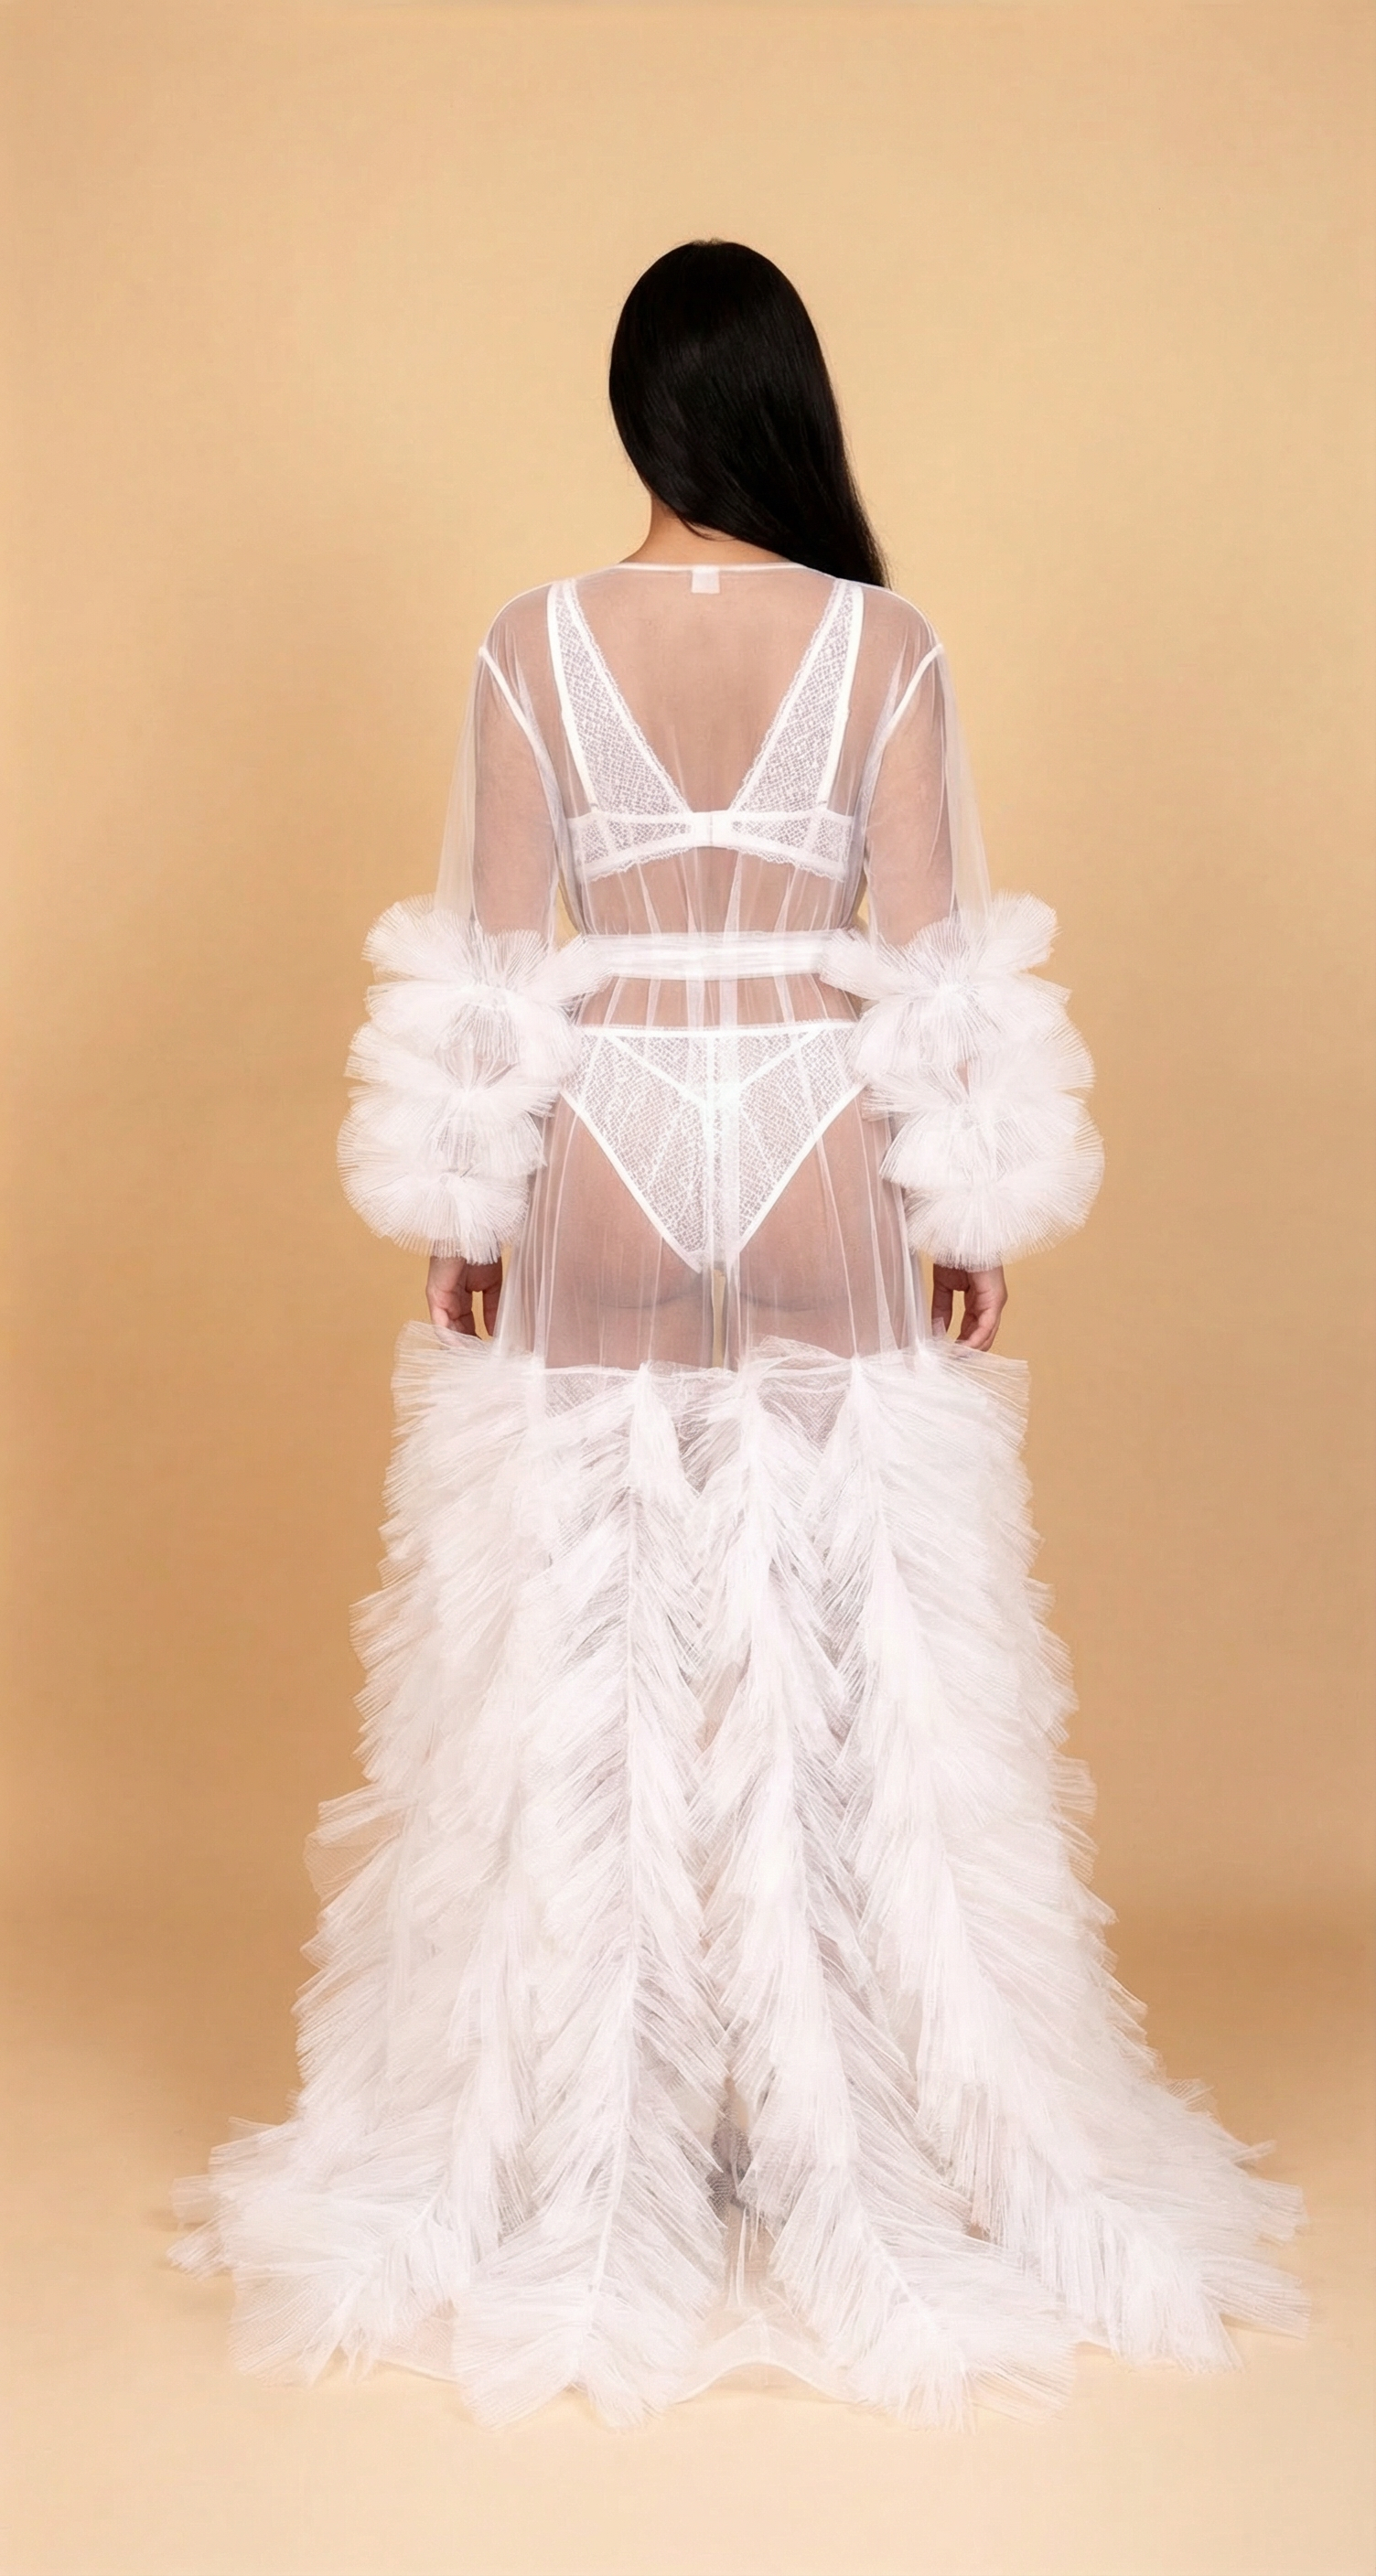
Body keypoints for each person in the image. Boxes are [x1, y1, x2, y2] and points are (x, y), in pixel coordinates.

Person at [171, 240, 1305, 2427]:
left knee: (589, 1656)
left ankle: (592, 2130)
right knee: (849, 1647)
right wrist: (965, 1199)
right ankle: (847, 2119)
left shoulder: (531, 642)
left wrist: (464, 1204)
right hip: (809, 1139)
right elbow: (934, 953)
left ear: (636, 414)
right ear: (781, 408)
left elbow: (496, 956)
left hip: (606, 1139)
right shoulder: (882, 645)